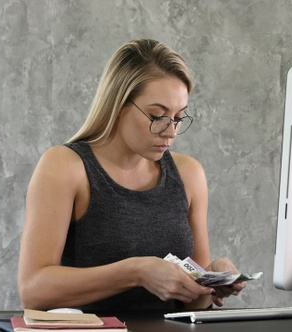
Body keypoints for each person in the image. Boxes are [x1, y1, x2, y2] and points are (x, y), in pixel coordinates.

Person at [18, 39, 246, 311]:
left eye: (178, 117)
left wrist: (213, 278)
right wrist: (136, 272)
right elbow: (33, 290)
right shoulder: (65, 167)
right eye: (157, 115)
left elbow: (195, 303)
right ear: (118, 104)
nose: (171, 131)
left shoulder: (189, 174)